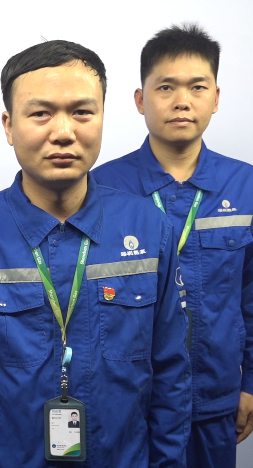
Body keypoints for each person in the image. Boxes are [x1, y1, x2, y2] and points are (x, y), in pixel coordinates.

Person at [0, 40, 191, 467]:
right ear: (9, 126)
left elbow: (172, 374)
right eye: (41, 114)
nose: (63, 132)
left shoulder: (149, 229)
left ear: (102, 119)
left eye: (82, 112)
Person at [92, 24, 253, 468]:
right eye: (166, 87)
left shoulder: (245, 186)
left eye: (197, 87)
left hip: (214, 400)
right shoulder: (101, 188)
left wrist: (251, 384)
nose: (182, 100)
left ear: (216, 98)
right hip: (127, 404)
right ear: (140, 99)